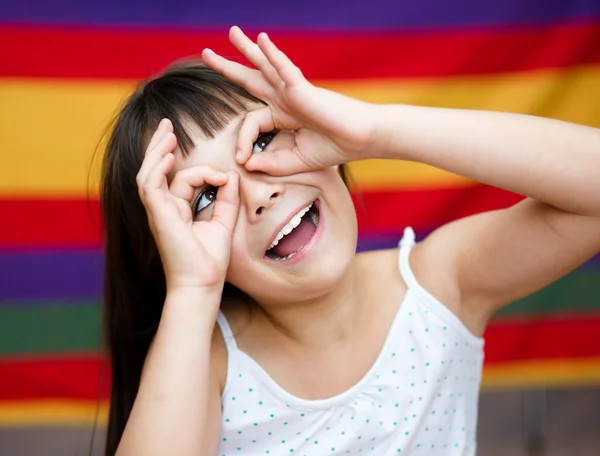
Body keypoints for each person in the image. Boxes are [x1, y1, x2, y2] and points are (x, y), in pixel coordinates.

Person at [100, 26, 600, 456]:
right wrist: (191, 290)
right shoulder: (207, 367)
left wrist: (373, 129)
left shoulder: (439, 286)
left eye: (261, 141)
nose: (259, 193)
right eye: (206, 197)